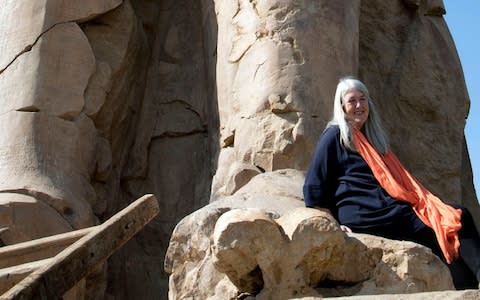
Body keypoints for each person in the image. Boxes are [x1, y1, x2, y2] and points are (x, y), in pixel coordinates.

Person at [303, 76, 480, 289]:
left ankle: (468, 288)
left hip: (389, 210)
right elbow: (314, 185)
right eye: (352, 101)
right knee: (456, 217)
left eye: (363, 99)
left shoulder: (371, 140)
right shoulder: (334, 135)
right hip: (368, 215)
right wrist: (332, 224)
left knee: (442, 231)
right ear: (342, 106)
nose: (359, 105)